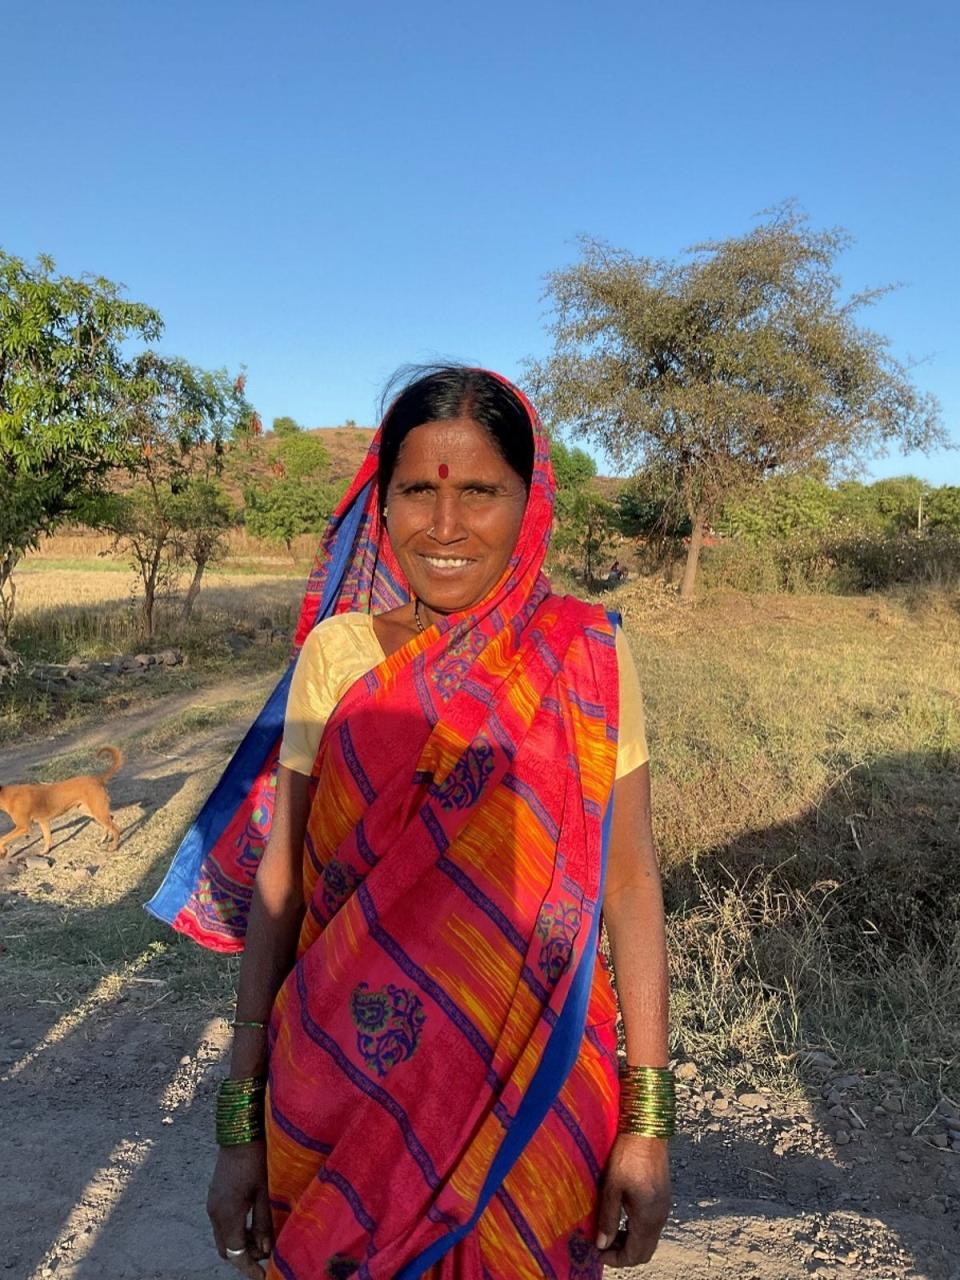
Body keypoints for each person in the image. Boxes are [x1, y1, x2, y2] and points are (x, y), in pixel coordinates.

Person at [158, 367, 672, 1278]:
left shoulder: (583, 653)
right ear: (381, 500)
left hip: (531, 1095)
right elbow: (282, 883)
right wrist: (238, 1122)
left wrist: (648, 1121)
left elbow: (630, 880)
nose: (445, 527)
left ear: (530, 500)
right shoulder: (339, 655)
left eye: (480, 492)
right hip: (334, 1088)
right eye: (416, 493)